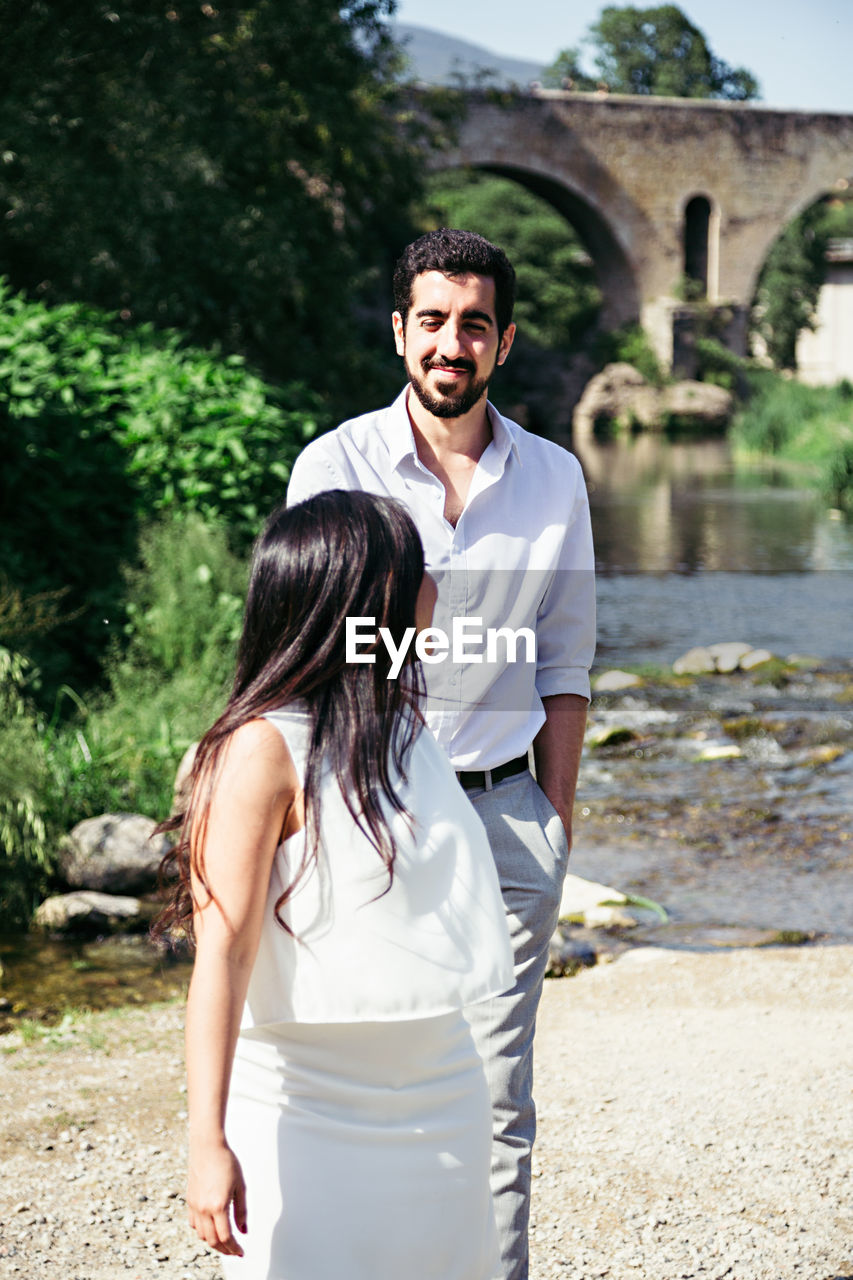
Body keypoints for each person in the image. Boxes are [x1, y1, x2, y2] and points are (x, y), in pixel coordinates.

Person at [286, 228, 596, 1280]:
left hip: (505, 817)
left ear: (504, 341)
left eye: (473, 323)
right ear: (398, 332)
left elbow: (564, 655)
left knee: (497, 1100)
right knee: (373, 1076)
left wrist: (553, 811)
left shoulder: (555, 479)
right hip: (370, 812)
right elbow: (305, 650)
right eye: (431, 321)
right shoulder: (335, 466)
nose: (450, 342)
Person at [154, 490, 514, 1279]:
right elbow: (222, 956)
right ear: (368, 598)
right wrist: (205, 1142)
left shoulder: (400, 723)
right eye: (419, 572)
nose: (435, 590)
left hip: (442, 1093)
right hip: (308, 1103)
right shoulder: (257, 753)